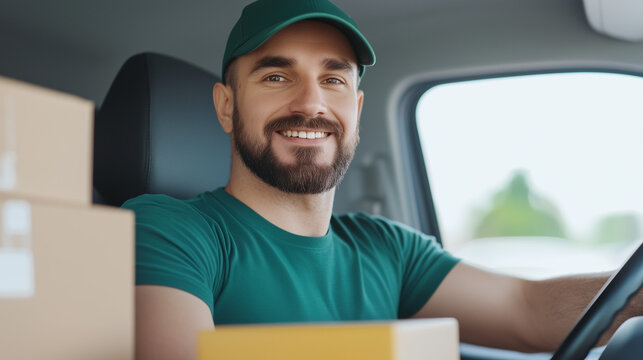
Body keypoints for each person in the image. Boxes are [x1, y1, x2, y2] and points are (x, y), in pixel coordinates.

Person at [124, 1, 642, 359]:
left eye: (333, 80)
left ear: (357, 107)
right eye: (276, 76)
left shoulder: (385, 247)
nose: (311, 102)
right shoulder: (168, 229)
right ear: (226, 106)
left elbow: (524, 310)